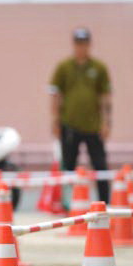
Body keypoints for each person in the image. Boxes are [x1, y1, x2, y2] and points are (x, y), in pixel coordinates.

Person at [49, 27, 112, 202]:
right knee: (68, 165)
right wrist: (55, 121)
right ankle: (69, 204)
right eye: (78, 44)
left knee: (100, 165)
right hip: (69, 124)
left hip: (93, 125)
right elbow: (55, 95)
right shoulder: (64, 67)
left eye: (84, 44)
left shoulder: (99, 68)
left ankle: (104, 202)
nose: (81, 48)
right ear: (73, 44)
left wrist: (107, 122)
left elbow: (105, 96)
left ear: (89, 45)